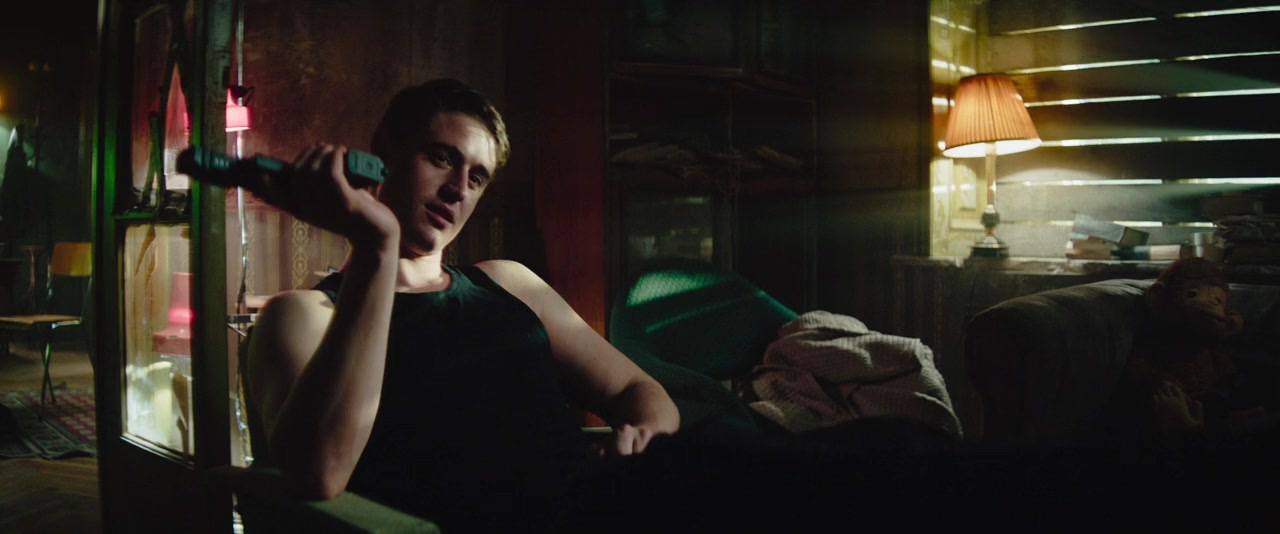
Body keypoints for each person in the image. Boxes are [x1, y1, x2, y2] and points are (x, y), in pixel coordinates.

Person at [229, 79, 680, 532]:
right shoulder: (304, 314)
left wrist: (645, 440)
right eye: (442, 158)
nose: (459, 189)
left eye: (477, 177)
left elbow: (637, 388)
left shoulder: (511, 283)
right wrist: (376, 245)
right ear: (383, 153)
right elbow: (318, 473)